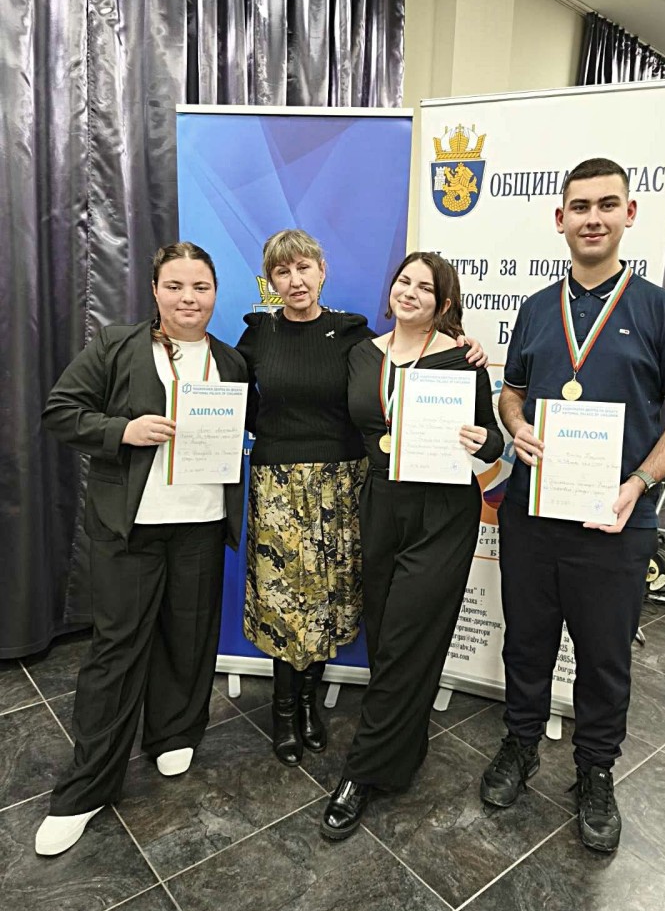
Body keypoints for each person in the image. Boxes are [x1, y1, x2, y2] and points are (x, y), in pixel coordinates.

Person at [482, 158, 665, 853]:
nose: (593, 218)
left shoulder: (663, 311)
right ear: (560, 219)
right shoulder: (534, 309)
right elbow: (511, 393)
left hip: (616, 520)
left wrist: (638, 482)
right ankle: (520, 745)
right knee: (526, 642)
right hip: (532, 514)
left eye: (607, 204)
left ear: (629, 214)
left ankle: (595, 770)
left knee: (605, 657)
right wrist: (517, 425)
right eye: (579, 207)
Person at [236, 231, 487, 768]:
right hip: (278, 484)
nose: (295, 281)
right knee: (284, 603)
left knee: (328, 597)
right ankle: (284, 709)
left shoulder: (353, 337)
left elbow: (401, 372)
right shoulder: (257, 335)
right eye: (282, 271)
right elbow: (235, 398)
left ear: (322, 270)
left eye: (304, 268)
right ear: (270, 279)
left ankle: (310, 705)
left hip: (343, 484)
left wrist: (467, 346)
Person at [35, 242, 248, 856]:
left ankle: (173, 733)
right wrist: (121, 430)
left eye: (200, 286)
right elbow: (60, 411)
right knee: (117, 651)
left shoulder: (232, 361)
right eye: (175, 286)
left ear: (215, 293)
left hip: (201, 522)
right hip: (132, 529)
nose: (188, 298)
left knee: (189, 636)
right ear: (155, 290)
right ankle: (85, 788)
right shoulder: (116, 347)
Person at [320, 251, 503, 840]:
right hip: (379, 504)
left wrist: (480, 440)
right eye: (403, 281)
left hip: (442, 512)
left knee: (406, 635)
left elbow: (494, 444)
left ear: (443, 302)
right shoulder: (361, 354)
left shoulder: (461, 360)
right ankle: (403, 748)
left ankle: (361, 772)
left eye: (425, 287)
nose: (410, 292)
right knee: (385, 633)